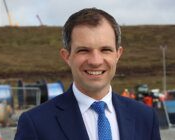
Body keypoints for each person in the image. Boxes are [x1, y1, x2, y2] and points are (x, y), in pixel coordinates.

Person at [14, 8, 161, 140]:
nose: (95, 61)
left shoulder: (146, 118)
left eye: (105, 50)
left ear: (118, 54)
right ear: (66, 56)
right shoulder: (36, 123)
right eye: (84, 50)